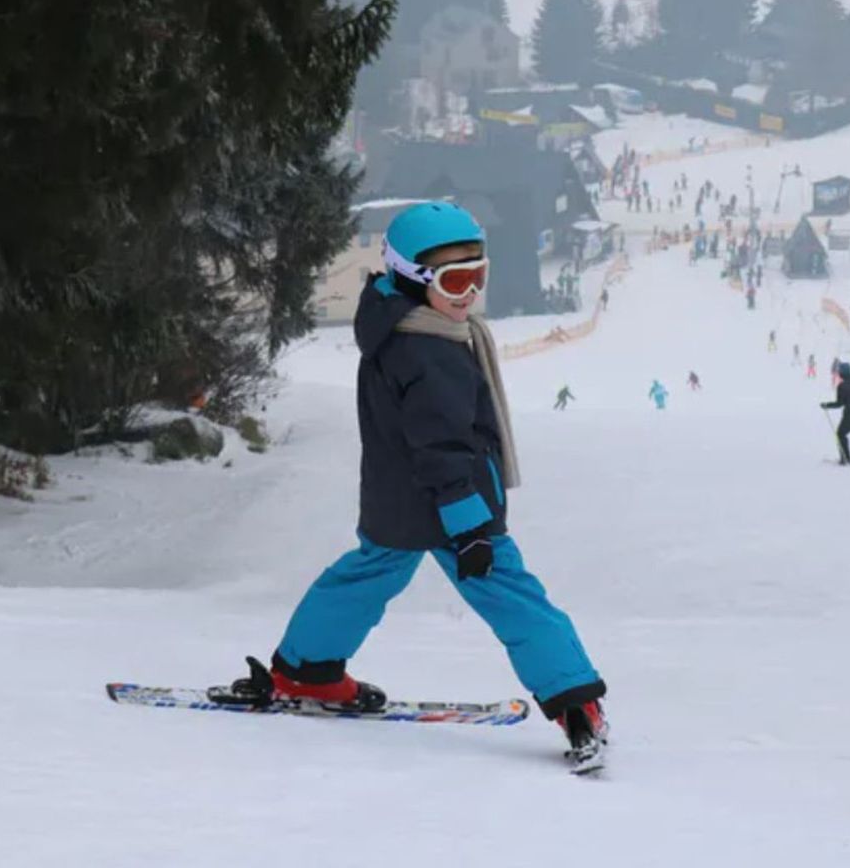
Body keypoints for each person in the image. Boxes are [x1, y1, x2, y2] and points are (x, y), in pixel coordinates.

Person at [224, 202, 606, 762]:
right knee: (515, 600)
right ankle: (575, 701)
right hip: (455, 504)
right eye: (454, 280)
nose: (468, 293)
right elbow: (444, 447)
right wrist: (470, 526)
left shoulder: (391, 323)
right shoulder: (431, 350)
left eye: (479, 275)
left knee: (361, 579)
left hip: (395, 499)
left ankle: (306, 670)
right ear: (411, 274)